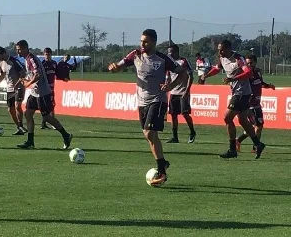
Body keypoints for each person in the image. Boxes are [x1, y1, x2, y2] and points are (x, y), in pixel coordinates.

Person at [108, 29, 188, 186]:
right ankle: (162, 162)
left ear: (153, 43)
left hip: (158, 100)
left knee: (150, 132)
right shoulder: (135, 55)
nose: (142, 44)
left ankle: (162, 172)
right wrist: (114, 67)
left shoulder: (163, 59)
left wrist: (170, 85)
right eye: (141, 41)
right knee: (148, 135)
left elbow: (183, 73)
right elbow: (119, 66)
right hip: (142, 101)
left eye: (145, 41)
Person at [200, 40, 266, 159]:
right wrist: (206, 75)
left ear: (229, 49)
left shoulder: (238, 58)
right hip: (238, 92)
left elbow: (249, 73)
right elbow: (217, 68)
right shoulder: (222, 58)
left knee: (227, 117)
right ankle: (258, 144)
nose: (220, 52)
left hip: (242, 93)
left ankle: (232, 149)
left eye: (222, 50)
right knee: (243, 121)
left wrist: (232, 79)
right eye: (219, 49)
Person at [14, 40, 72, 150]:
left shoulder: (31, 59)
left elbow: (38, 74)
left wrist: (28, 84)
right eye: (17, 50)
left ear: (25, 48)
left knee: (47, 117)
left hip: (42, 93)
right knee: (28, 114)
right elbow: (33, 75)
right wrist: (27, 80)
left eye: (19, 49)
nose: (18, 52)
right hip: (35, 93)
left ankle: (66, 135)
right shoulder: (27, 59)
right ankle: (30, 141)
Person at [236, 54, 275, 153]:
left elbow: (260, 83)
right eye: (247, 63)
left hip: (257, 103)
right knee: (258, 126)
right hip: (250, 105)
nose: (249, 65)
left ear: (255, 62)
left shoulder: (258, 72)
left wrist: (268, 85)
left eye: (251, 63)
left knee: (256, 126)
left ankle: (239, 140)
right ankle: (256, 147)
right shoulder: (246, 74)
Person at [0, 47, 27, 135]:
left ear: (4, 53)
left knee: (17, 106)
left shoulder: (14, 61)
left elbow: (23, 73)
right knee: (10, 109)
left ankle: (21, 125)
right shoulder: (2, 63)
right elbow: (2, 76)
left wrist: (17, 83)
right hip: (9, 89)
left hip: (19, 87)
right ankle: (19, 128)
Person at [166, 43, 196, 143]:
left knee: (185, 114)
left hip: (183, 91)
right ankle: (175, 137)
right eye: (168, 53)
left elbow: (190, 76)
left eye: (171, 52)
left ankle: (192, 132)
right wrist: (167, 85)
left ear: (176, 52)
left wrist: (187, 91)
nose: (169, 54)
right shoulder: (169, 63)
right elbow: (168, 76)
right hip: (174, 92)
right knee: (173, 115)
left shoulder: (183, 61)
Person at [41, 47, 57, 129]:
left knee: (51, 105)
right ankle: (51, 123)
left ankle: (44, 123)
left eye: (49, 54)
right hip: (45, 88)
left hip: (52, 87)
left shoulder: (54, 63)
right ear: (44, 55)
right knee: (49, 105)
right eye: (46, 54)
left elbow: (57, 73)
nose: (47, 56)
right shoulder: (42, 64)